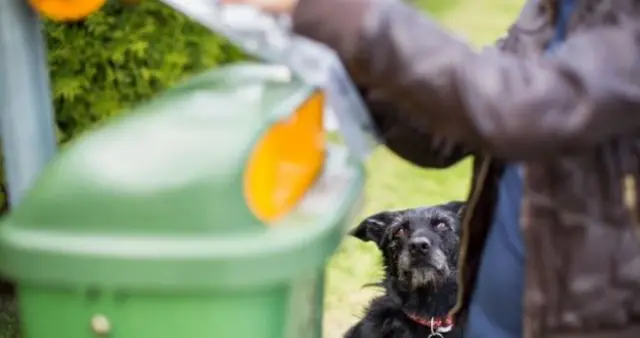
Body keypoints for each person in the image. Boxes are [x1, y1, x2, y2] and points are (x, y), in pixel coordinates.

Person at [221, 0, 640, 337]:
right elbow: (447, 135)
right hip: (490, 311)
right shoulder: (546, 11)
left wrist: (343, 15)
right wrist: (353, 75)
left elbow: (522, 108)